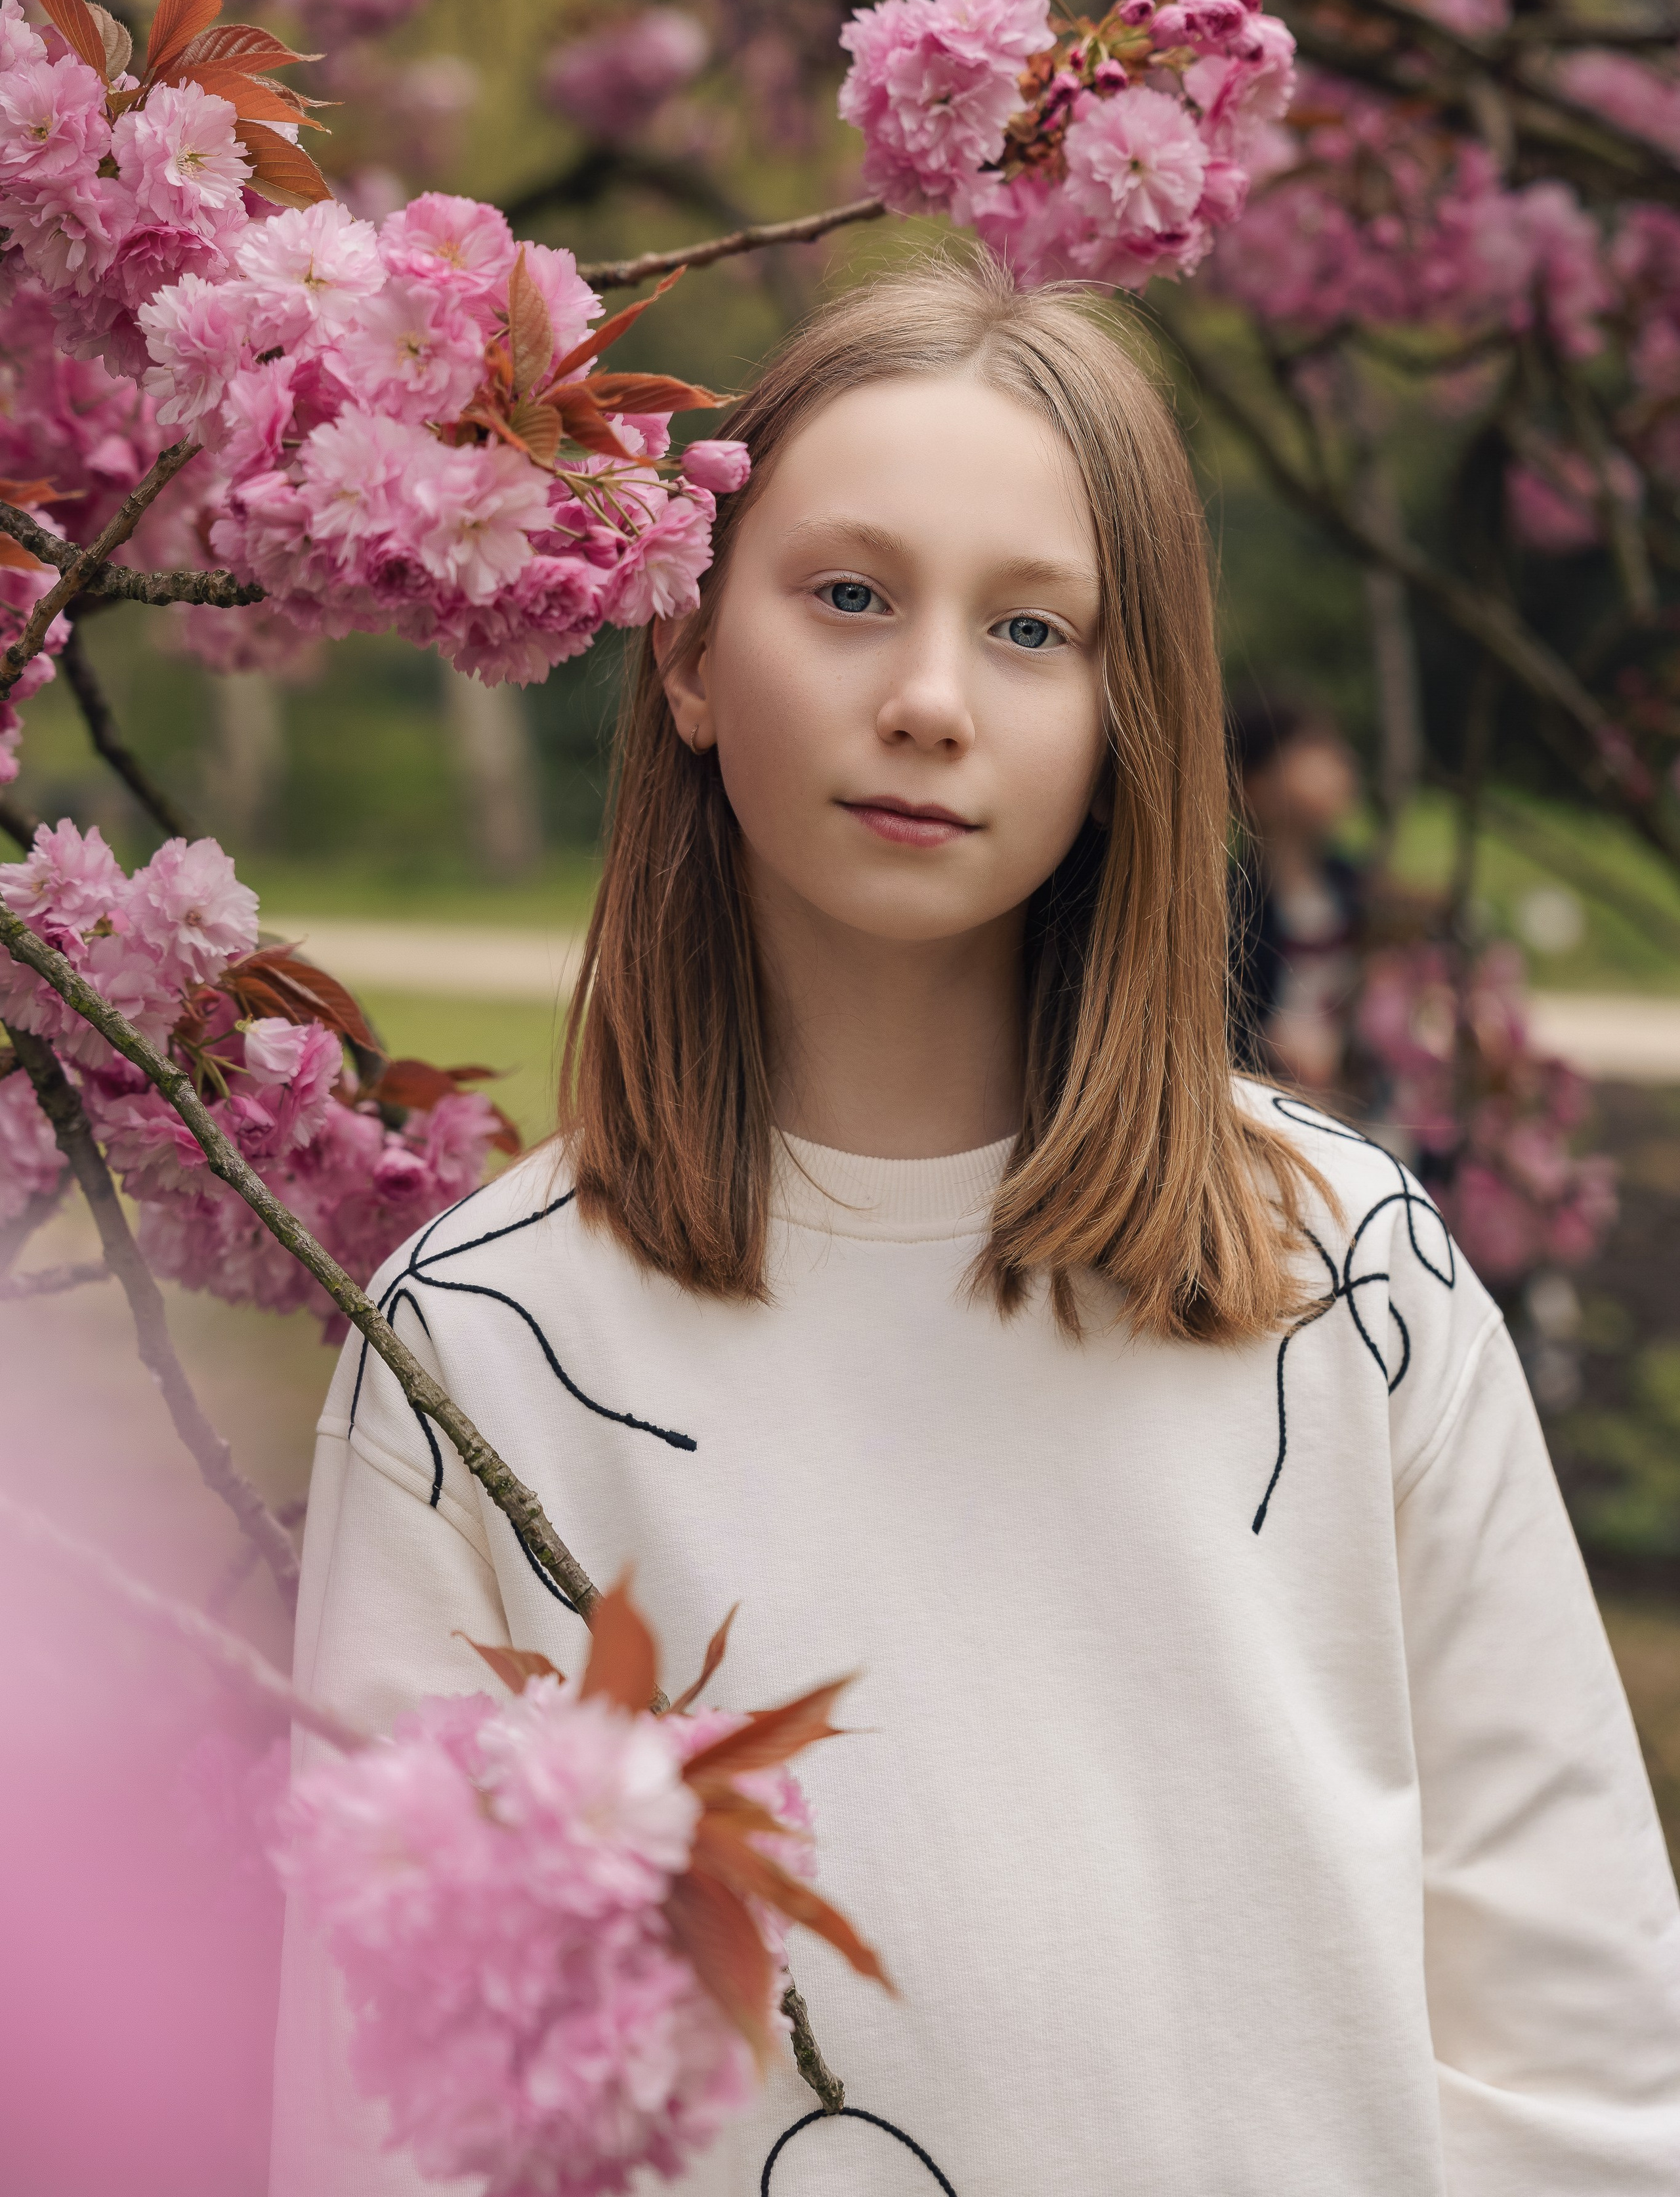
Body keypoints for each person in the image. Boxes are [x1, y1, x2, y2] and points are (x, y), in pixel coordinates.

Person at [273, 254, 1680, 2196]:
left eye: (1031, 628)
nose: (928, 699)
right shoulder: (478, 1346)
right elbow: (384, 2115)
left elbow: (1578, 2063)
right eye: (848, 595)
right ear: (686, 655)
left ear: (1126, 714)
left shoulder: (1350, 1280)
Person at [1228, 693, 1366, 1095]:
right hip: (1266, 1097)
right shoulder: (1233, 907)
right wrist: (1269, 1041)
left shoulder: (1351, 886)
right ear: (1253, 784)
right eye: (1310, 748)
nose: (1339, 764)